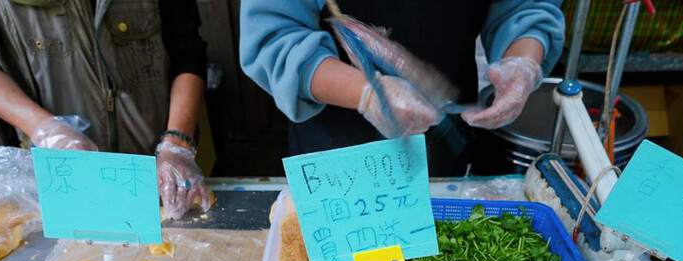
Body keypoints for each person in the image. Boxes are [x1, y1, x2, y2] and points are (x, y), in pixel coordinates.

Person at [0, 0, 210, 219]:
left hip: (163, 170)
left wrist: (177, 143)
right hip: (63, 174)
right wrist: (49, 131)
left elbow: (187, 50)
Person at [240, 1, 564, 176]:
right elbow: (275, 35)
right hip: (338, 157)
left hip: (442, 146)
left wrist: (522, 63)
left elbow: (525, 6)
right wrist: (369, 94)